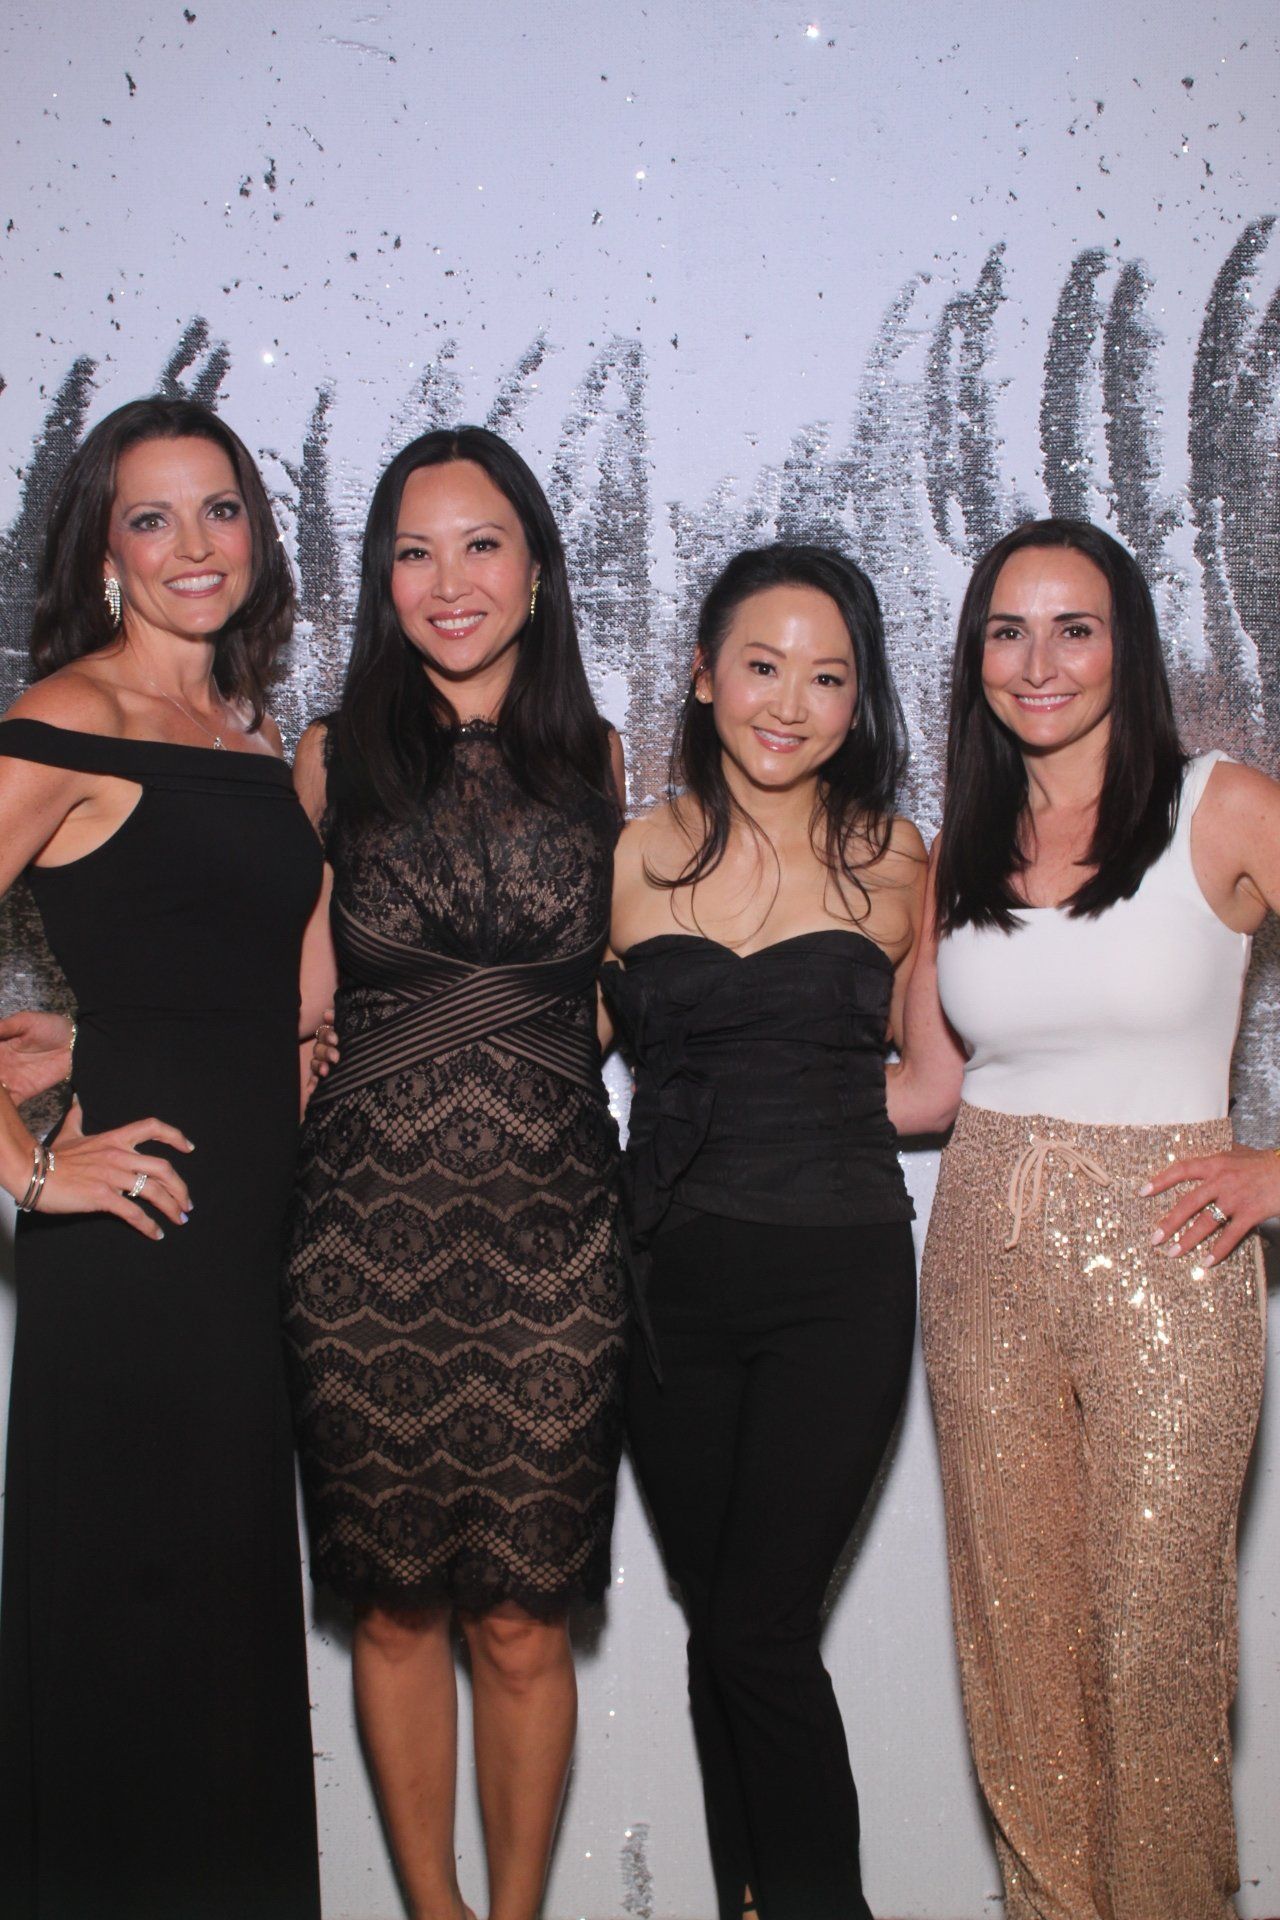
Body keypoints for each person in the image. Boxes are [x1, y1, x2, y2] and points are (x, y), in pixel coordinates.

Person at [889, 518, 1277, 1920]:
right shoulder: (962, 846)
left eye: (1073, 628)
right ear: (975, 655)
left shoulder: (1220, 805)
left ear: (1128, 646)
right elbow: (927, 1088)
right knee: (1019, 1649)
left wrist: (1279, 1171)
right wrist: (720, 1080)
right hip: (982, 1253)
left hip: (1171, 1254)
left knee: (1155, 1648)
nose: (1037, 661)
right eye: (1007, 631)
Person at [291, 425, 628, 1920]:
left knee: (523, 1620)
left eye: (481, 544)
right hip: (362, 1237)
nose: (449, 581)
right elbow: (296, 998)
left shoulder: (597, 757)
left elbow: (611, 987)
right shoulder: (329, 757)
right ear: (381, 582)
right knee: (395, 1610)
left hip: (558, 1242)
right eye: (413, 553)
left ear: (538, 569)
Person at [0, 398, 322, 1919]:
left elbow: (220, 976)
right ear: (105, 555)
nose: (195, 546)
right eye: (153, 517)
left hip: (250, 1248)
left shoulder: (245, 736)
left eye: (221, 510)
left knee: (220, 1636)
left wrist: (87, 1040)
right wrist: (25, 1169)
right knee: (137, 1636)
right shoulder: (72, 715)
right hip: (137, 1260)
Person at [602, 544, 924, 1920]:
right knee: (721, 1627)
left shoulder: (900, 857)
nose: (790, 703)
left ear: (858, 701)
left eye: (828, 677)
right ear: (702, 675)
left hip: (838, 1280)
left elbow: (936, 1082)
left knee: (758, 1629)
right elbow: (545, 1047)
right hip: (665, 1294)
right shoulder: (628, 854)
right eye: (762, 665)